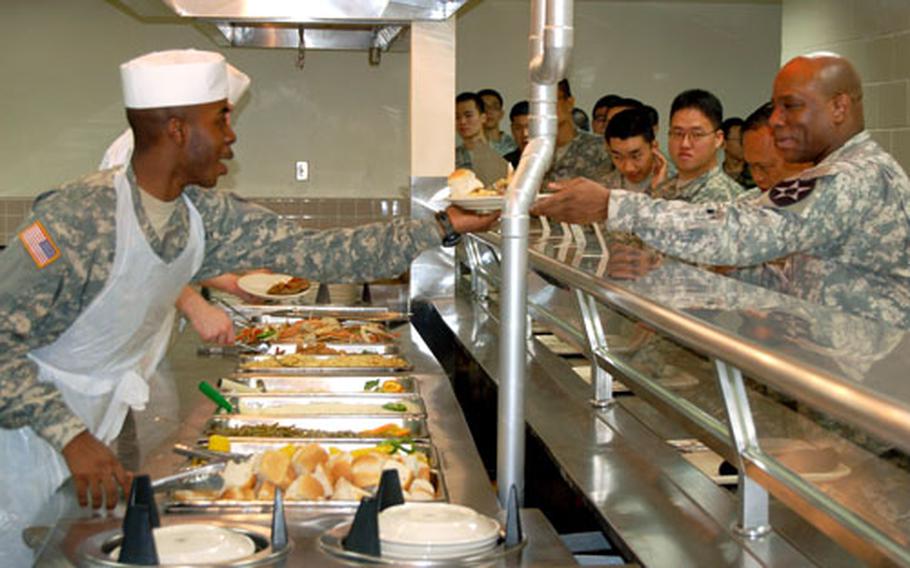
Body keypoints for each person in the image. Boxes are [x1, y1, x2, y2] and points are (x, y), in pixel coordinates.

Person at [0, 49, 497, 564]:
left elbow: (323, 254)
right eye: (221, 119)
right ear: (176, 130)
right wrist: (69, 436)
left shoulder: (202, 215)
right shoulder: (79, 217)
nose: (232, 135)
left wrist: (443, 226)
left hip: (94, 427)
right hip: (19, 433)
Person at [531, 53, 910, 330]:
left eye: (790, 106)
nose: (776, 120)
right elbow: (798, 273)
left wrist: (614, 205)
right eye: (776, 107)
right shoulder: (837, 174)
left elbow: (737, 231)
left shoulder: (852, 178)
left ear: (839, 106)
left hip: (869, 383)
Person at [100, 63, 256, 346]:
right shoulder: (133, 158)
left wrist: (231, 283)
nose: (228, 132)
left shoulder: (178, 161)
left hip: (144, 332)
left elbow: (170, 250)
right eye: (221, 117)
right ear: (179, 124)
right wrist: (194, 305)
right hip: (113, 334)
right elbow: (134, 253)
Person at [650, 89, 743, 204]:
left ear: (718, 139)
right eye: (678, 133)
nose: (685, 144)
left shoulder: (727, 198)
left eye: (697, 134)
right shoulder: (662, 189)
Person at [543, 79, 614, 186]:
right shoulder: (535, 150)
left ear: (569, 103)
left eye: (551, 101)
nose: (544, 109)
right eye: (538, 104)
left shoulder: (599, 147)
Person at [740, 102, 811, 195]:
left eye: (765, 167)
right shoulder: (745, 206)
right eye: (750, 166)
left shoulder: (831, 201)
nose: (757, 178)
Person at [602, 108, 667, 193]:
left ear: (654, 147)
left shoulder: (675, 183)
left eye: (636, 156)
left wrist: (659, 191)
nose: (629, 168)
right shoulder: (603, 188)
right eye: (617, 157)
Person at [455, 91, 510, 185]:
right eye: (457, 117)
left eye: (468, 115)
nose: (462, 121)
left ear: (483, 118)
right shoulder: (453, 157)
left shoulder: (505, 152)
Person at [478, 88, 518, 156]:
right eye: (484, 107)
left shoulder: (515, 146)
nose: (489, 111)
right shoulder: (466, 148)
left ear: (501, 114)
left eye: (494, 107)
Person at [721, 117, 755, 188]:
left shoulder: (758, 175)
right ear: (723, 143)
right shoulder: (714, 178)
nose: (744, 144)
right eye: (740, 140)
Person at [503, 100, 529, 168]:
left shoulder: (554, 159)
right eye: (518, 128)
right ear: (512, 130)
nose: (525, 134)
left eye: (529, 127)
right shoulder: (506, 163)